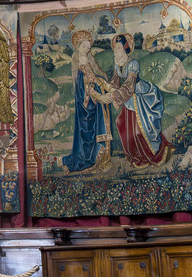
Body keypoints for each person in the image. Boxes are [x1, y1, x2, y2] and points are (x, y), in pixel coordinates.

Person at [60, 29, 113, 173]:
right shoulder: (77, 64)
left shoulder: (89, 61)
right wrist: (99, 96)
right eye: (84, 46)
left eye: (88, 47)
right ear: (77, 46)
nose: (86, 49)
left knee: (92, 131)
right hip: (85, 105)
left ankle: (93, 159)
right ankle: (83, 160)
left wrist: (106, 85)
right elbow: (83, 88)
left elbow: (96, 77)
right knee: (85, 132)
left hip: (93, 104)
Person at [111, 33, 168, 165]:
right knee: (121, 122)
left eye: (118, 49)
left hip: (140, 96)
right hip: (128, 96)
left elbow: (130, 83)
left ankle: (149, 155)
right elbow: (114, 82)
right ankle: (135, 155)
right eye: (114, 49)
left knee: (140, 127)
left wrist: (116, 95)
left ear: (125, 49)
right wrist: (106, 89)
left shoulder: (133, 63)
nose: (115, 51)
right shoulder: (117, 64)